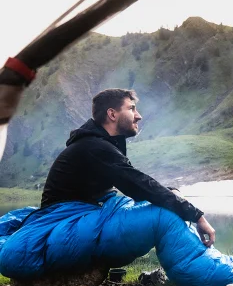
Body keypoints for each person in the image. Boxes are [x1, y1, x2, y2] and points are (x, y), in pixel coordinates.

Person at [41, 88, 216, 247]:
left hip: (78, 217)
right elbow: (138, 185)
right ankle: (205, 269)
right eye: (131, 109)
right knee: (164, 215)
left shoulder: (101, 143)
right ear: (112, 114)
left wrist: (172, 193)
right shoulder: (96, 147)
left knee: (168, 200)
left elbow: (137, 184)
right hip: (65, 223)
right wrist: (196, 216)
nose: (138, 116)